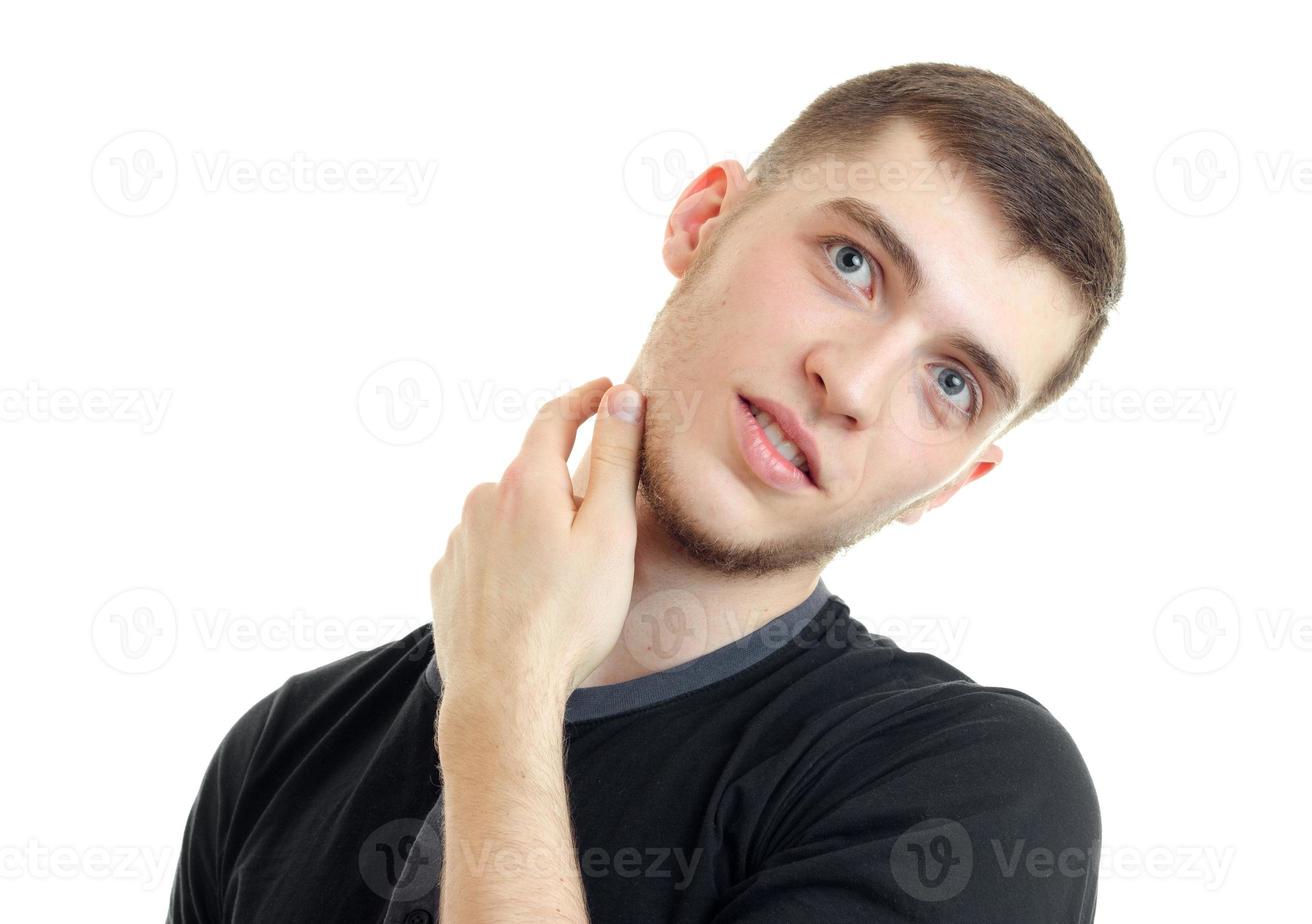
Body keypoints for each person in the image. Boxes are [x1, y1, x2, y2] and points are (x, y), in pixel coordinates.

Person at [166, 61, 1125, 923]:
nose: (855, 385)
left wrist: (506, 699)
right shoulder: (284, 748)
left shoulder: (969, 790)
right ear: (703, 221)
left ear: (951, 487)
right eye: (852, 264)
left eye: (951, 383)